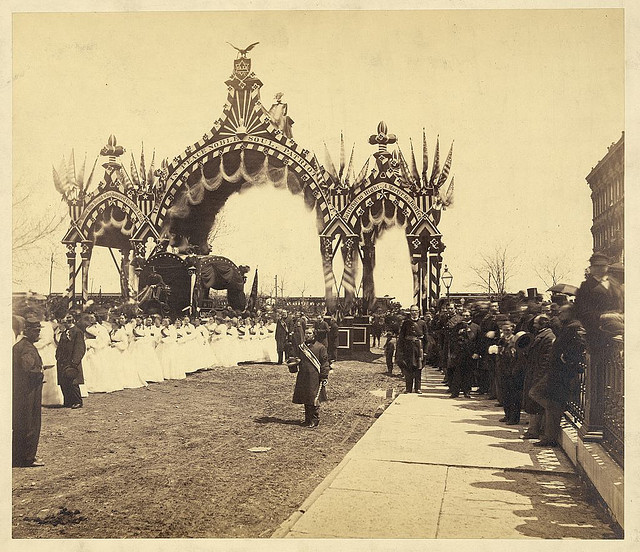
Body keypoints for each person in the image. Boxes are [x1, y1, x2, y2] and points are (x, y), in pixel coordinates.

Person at [532, 305, 587, 447]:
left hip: (562, 373)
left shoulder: (574, 327)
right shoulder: (567, 325)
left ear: (570, 313)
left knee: (544, 398)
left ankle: (549, 437)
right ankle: (550, 432)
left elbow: (580, 345)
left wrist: (567, 357)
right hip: (556, 372)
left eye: (562, 312)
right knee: (543, 398)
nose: (559, 314)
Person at [13, 315, 45, 467]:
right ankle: (28, 457)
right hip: (29, 391)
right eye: (36, 331)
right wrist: (40, 372)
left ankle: (17, 456)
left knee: (19, 423)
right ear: (29, 331)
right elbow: (28, 369)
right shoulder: (27, 349)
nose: (38, 334)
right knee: (31, 423)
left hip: (18, 390)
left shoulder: (19, 346)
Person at [522, 315, 555, 440]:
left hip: (538, 375)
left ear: (543, 324)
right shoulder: (541, 335)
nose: (533, 325)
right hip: (533, 372)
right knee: (532, 402)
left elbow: (546, 360)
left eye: (535, 323)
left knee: (534, 399)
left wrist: (539, 377)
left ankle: (534, 431)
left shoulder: (548, 337)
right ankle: (533, 430)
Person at [291, 326, 330, 428]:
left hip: (314, 376)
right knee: (305, 397)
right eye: (306, 333)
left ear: (314, 335)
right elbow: (297, 360)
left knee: (313, 397)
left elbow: (325, 363)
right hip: (303, 375)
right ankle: (307, 419)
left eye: (310, 333)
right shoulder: (301, 347)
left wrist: (324, 376)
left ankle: (314, 419)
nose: (307, 335)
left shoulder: (320, 347)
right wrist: (293, 364)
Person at [55, 312, 86, 409]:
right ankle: (68, 400)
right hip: (63, 361)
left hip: (71, 361)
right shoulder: (65, 332)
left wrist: (75, 361)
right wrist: (58, 356)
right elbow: (60, 345)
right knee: (64, 383)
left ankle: (77, 401)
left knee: (73, 383)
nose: (64, 325)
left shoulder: (77, 332)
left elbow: (79, 348)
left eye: (65, 323)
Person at [397, 305, 428, 394]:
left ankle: (418, 388)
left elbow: (426, 338)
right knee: (408, 367)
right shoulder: (406, 323)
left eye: (416, 311)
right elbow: (402, 337)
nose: (414, 312)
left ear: (419, 311)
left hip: (419, 348)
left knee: (418, 368)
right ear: (410, 312)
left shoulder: (422, 323)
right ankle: (408, 388)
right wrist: (401, 350)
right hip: (408, 348)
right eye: (412, 311)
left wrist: (425, 351)